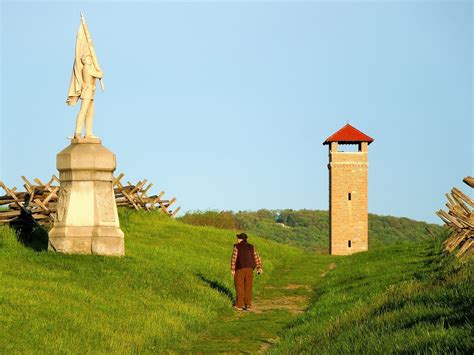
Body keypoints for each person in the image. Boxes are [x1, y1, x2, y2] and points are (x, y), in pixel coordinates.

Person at [230, 233, 263, 311]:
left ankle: (239, 305)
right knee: (248, 286)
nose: (237, 240)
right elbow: (256, 257)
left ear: (241, 239)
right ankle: (248, 305)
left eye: (238, 238)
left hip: (239, 269)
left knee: (239, 286)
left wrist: (232, 269)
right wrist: (259, 267)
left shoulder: (237, 246)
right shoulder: (251, 247)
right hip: (250, 269)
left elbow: (234, 259)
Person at [74, 54, 103, 138]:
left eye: (90, 59)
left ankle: (88, 133)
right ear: (84, 61)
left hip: (91, 91)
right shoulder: (87, 68)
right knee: (83, 111)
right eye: (88, 59)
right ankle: (77, 132)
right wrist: (100, 72)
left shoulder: (89, 68)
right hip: (87, 91)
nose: (90, 60)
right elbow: (99, 75)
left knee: (90, 113)